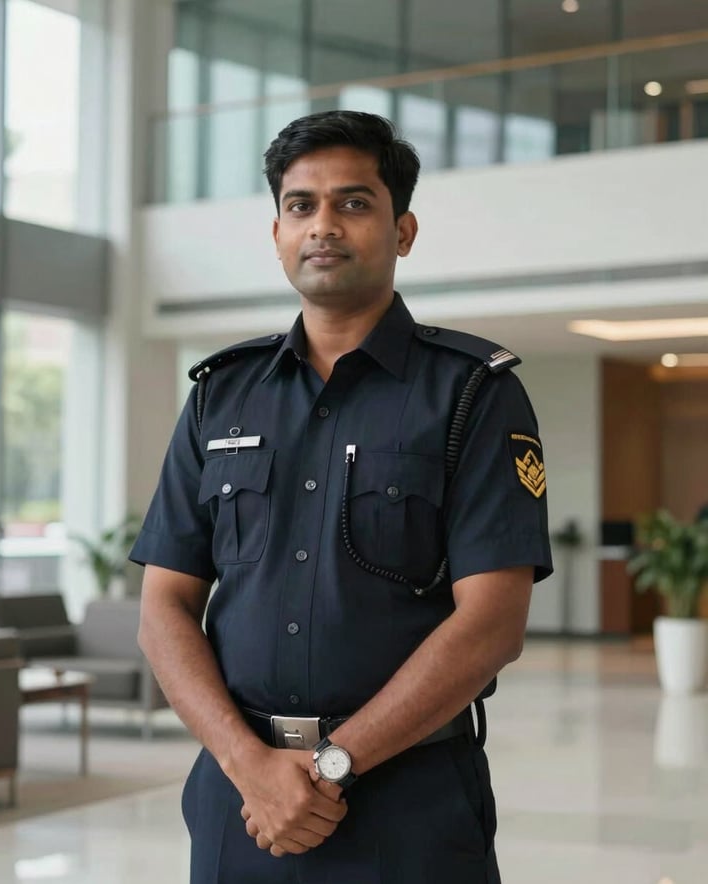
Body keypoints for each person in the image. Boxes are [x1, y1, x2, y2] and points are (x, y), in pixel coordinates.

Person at [130, 110, 553, 884]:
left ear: (403, 230)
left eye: (354, 203)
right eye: (301, 205)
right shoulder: (219, 398)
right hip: (240, 802)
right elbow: (163, 608)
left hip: (409, 803)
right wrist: (248, 765)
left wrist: (328, 768)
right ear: (278, 230)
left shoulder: (472, 395)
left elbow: (492, 622)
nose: (323, 225)